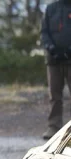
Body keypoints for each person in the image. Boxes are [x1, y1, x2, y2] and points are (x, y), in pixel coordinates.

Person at [41, 0, 71, 139]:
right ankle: (54, 128)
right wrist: (51, 48)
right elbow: (44, 32)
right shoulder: (50, 8)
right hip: (53, 60)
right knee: (55, 96)